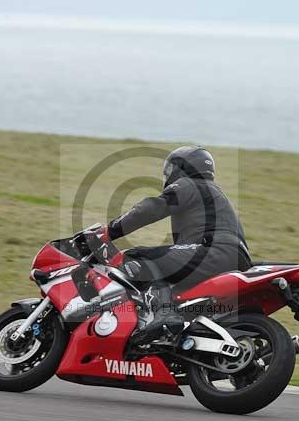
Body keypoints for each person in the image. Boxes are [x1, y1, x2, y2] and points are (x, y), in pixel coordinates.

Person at [101, 145, 252, 345]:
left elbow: (151, 209)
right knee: (176, 288)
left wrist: (110, 230)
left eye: (171, 169)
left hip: (212, 252)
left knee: (137, 256)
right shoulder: (214, 193)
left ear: (183, 168)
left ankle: (163, 315)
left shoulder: (189, 185)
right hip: (235, 258)